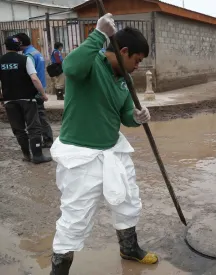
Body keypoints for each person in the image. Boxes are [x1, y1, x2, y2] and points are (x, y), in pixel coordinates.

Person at [49, 14, 157, 275]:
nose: (138, 67)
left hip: (112, 151)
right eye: (137, 60)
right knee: (75, 215)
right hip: (80, 155)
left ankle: (128, 248)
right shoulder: (90, 64)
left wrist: (136, 116)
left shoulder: (125, 80)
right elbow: (71, 67)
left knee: (127, 200)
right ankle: (59, 270)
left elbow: (124, 113)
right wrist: (97, 33)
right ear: (123, 51)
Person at [0, 36, 52, 164]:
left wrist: (1, 98)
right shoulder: (25, 59)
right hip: (28, 99)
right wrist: (43, 94)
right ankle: (38, 156)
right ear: (18, 46)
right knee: (33, 127)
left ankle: (26, 155)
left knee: (18, 128)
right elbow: (34, 79)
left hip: (9, 100)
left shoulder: (1, 61)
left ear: (5, 46)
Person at [16, 33, 54, 148]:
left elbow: (31, 75)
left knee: (37, 118)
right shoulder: (36, 52)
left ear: (21, 43)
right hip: (40, 88)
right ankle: (48, 139)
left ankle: (46, 140)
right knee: (41, 116)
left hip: (34, 91)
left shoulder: (28, 56)